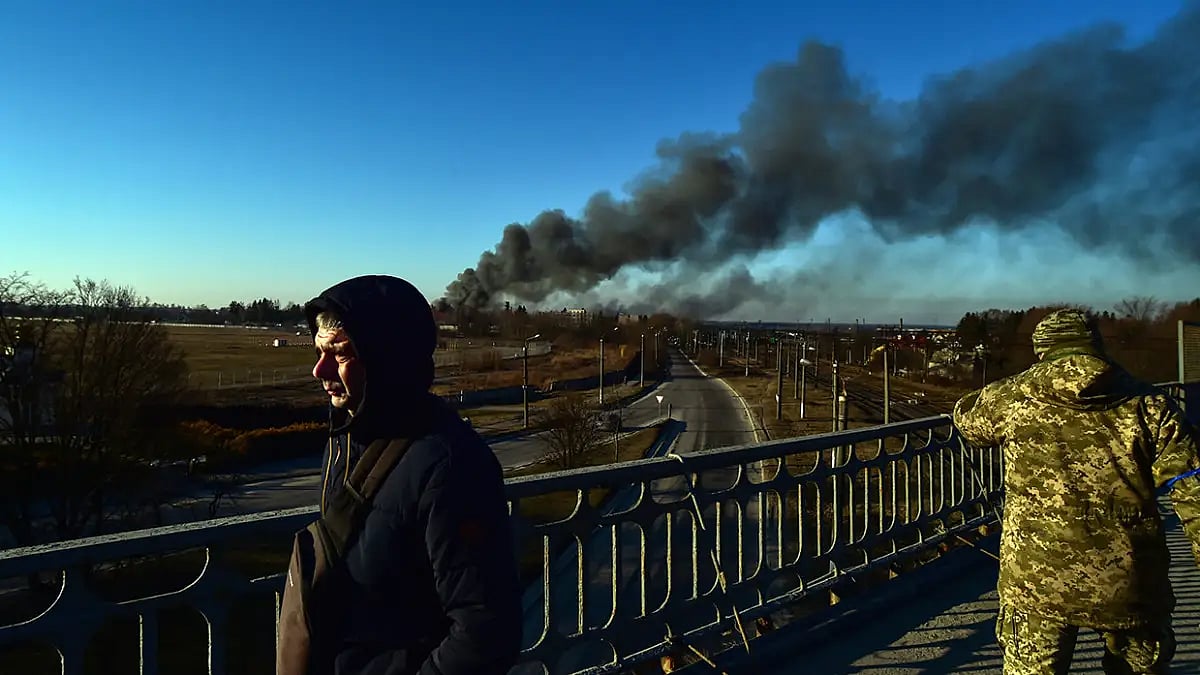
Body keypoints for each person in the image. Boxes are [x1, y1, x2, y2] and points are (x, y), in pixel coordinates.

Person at [952, 308, 1200, 675]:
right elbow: (1191, 490)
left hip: (1036, 582)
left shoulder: (1012, 398)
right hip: (1130, 581)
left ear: (1042, 349)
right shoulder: (1150, 405)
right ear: (1096, 346)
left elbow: (967, 420)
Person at [300, 274, 522, 675]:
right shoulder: (347, 437)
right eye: (318, 352)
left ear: (388, 359)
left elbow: (485, 632)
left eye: (341, 353)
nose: (320, 370)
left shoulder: (452, 465)